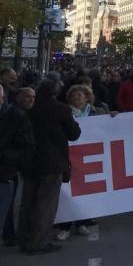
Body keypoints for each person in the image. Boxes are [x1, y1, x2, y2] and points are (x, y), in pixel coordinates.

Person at [20, 77, 81, 255]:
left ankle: (24, 238)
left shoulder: (30, 108)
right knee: (45, 205)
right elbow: (74, 133)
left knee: (28, 202)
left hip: (30, 161)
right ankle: (37, 243)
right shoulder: (60, 109)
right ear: (56, 91)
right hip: (52, 162)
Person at [55, 85, 109, 241]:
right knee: (68, 189)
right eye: (72, 96)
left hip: (90, 155)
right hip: (70, 155)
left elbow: (107, 127)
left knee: (85, 190)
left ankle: (81, 222)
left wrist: (113, 116)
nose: (75, 98)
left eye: (79, 95)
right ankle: (65, 225)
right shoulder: (63, 112)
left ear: (87, 97)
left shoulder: (97, 112)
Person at [0, 85, 34, 249]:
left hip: (8, 167)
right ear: (18, 97)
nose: (31, 100)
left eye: (33, 97)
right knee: (6, 204)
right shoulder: (16, 115)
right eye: (28, 97)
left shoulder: (13, 112)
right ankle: (8, 234)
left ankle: (9, 234)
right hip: (6, 169)